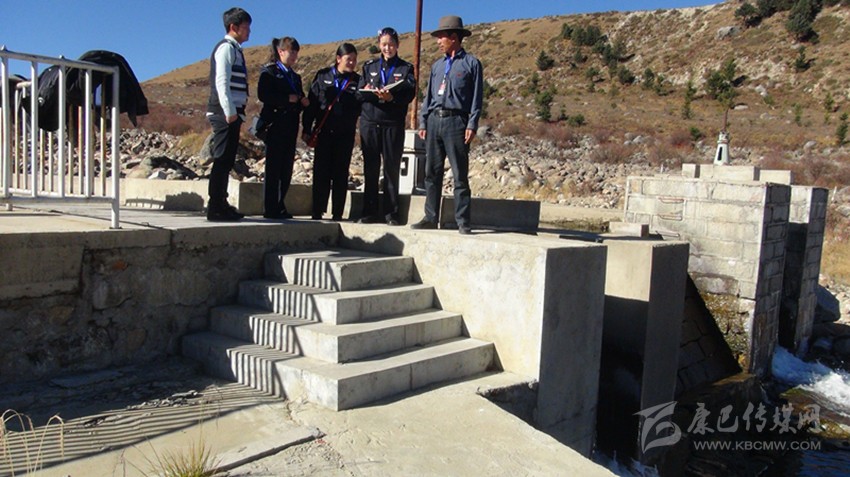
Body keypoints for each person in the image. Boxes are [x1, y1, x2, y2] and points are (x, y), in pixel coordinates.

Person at [410, 15, 483, 235]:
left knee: (460, 173)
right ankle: (430, 217)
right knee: (431, 172)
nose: (438, 41)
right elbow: (428, 97)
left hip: (457, 122)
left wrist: (472, 124)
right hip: (434, 121)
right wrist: (424, 121)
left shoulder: (471, 64)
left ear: (454, 37)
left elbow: (477, 98)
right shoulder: (437, 66)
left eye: (441, 37)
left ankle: (463, 221)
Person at [356, 27, 416, 226]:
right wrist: (367, 91)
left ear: (397, 45)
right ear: (379, 45)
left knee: (391, 168)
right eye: (384, 44)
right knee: (371, 168)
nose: (387, 48)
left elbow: (410, 93)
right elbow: (358, 93)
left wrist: (392, 98)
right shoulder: (369, 67)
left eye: (391, 44)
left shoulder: (405, 68)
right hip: (370, 123)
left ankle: (392, 214)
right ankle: (369, 212)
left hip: (392, 124)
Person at [302, 43, 361, 221]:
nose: (352, 63)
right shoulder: (323, 76)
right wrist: (306, 128)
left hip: (345, 134)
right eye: (348, 59)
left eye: (354, 60)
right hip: (324, 132)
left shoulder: (357, 81)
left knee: (341, 173)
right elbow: (312, 105)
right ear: (338, 59)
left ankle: (337, 212)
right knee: (321, 172)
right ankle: (317, 210)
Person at [205, 7, 251, 222]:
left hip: (233, 113)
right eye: (246, 27)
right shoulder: (226, 48)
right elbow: (221, 81)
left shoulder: (236, 49)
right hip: (224, 113)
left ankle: (221, 203)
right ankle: (215, 206)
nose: (249, 31)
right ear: (234, 27)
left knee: (228, 158)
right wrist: (229, 110)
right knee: (222, 158)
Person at [257, 36, 309, 219]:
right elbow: (263, 95)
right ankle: (270, 207)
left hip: (291, 124)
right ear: (281, 52)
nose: (294, 56)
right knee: (273, 167)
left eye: (296, 52)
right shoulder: (270, 72)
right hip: (275, 123)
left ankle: (280, 204)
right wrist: (286, 99)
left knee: (286, 167)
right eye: (291, 52)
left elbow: (299, 98)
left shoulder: (295, 77)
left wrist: (302, 101)